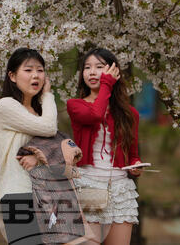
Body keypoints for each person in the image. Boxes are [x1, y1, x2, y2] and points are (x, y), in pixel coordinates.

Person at [67, 49, 142, 245]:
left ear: (113, 71)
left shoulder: (130, 114)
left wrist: (136, 164)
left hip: (120, 190)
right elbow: (95, 115)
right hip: (89, 184)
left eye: (99, 67)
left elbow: (133, 154)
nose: (92, 72)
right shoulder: (75, 105)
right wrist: (107, 83)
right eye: (87, 67)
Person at [0, 48, 58, 245]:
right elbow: (50, 128)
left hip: (46, 197)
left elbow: (55, 146)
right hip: (18, 194)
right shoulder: (5, 106)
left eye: (40, 70)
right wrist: (48, 95)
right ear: (12, 76)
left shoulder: (40, 111)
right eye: (28, 70)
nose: (35, 75)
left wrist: (38, 156)